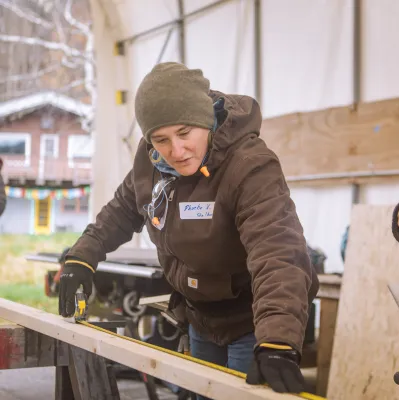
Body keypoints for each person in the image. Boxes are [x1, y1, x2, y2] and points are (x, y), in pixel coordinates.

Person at [58, 62, 319, 396]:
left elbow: (277, 250)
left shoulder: (249, 165)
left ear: (206, 119)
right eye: (161, 139)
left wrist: (278, 340)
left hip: (254, 320)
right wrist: (82, 256)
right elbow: (121, 211)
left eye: (184, 133)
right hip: (200, 315)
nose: (176, 151)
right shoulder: (152, 164)